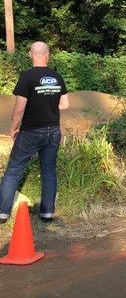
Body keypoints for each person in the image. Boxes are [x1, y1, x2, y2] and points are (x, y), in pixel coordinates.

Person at [0, 42, 69, 224]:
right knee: (48, 172)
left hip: (31, 131)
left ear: (31, 54)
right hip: (53, 131)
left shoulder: (27, 77)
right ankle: (47, 213)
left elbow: (19, 109)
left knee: (14, 171)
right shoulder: (57, 76)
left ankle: (3, 213)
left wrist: (14, 129)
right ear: (48, 54)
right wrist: (48, 105)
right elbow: (65, 104)